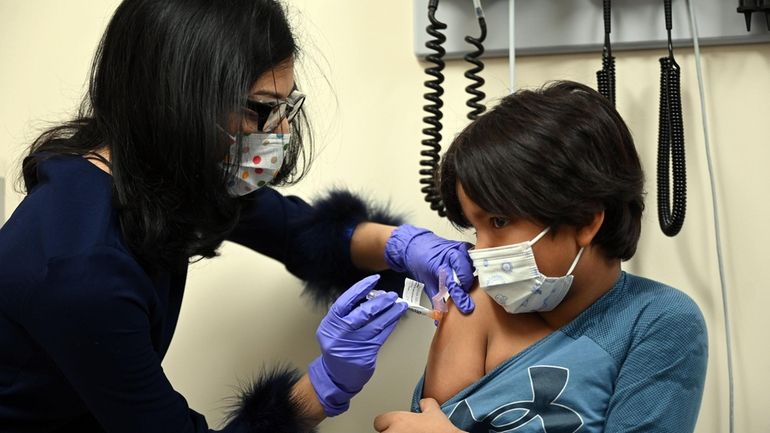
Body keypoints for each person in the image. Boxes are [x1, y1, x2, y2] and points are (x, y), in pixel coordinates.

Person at [0, 1, 476, 432]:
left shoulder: (153, 175)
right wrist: (324, 386)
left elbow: (294, 231)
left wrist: (405, 245)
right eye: (264, 110)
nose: (281, 130)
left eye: (286, 107)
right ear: (181, 101)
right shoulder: (81, 270)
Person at [374, 81, 708, 433]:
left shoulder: (657, 321)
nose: (479, 253)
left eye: (499, 221)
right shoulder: (476, 305)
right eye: (476, 230)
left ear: (585, 220)